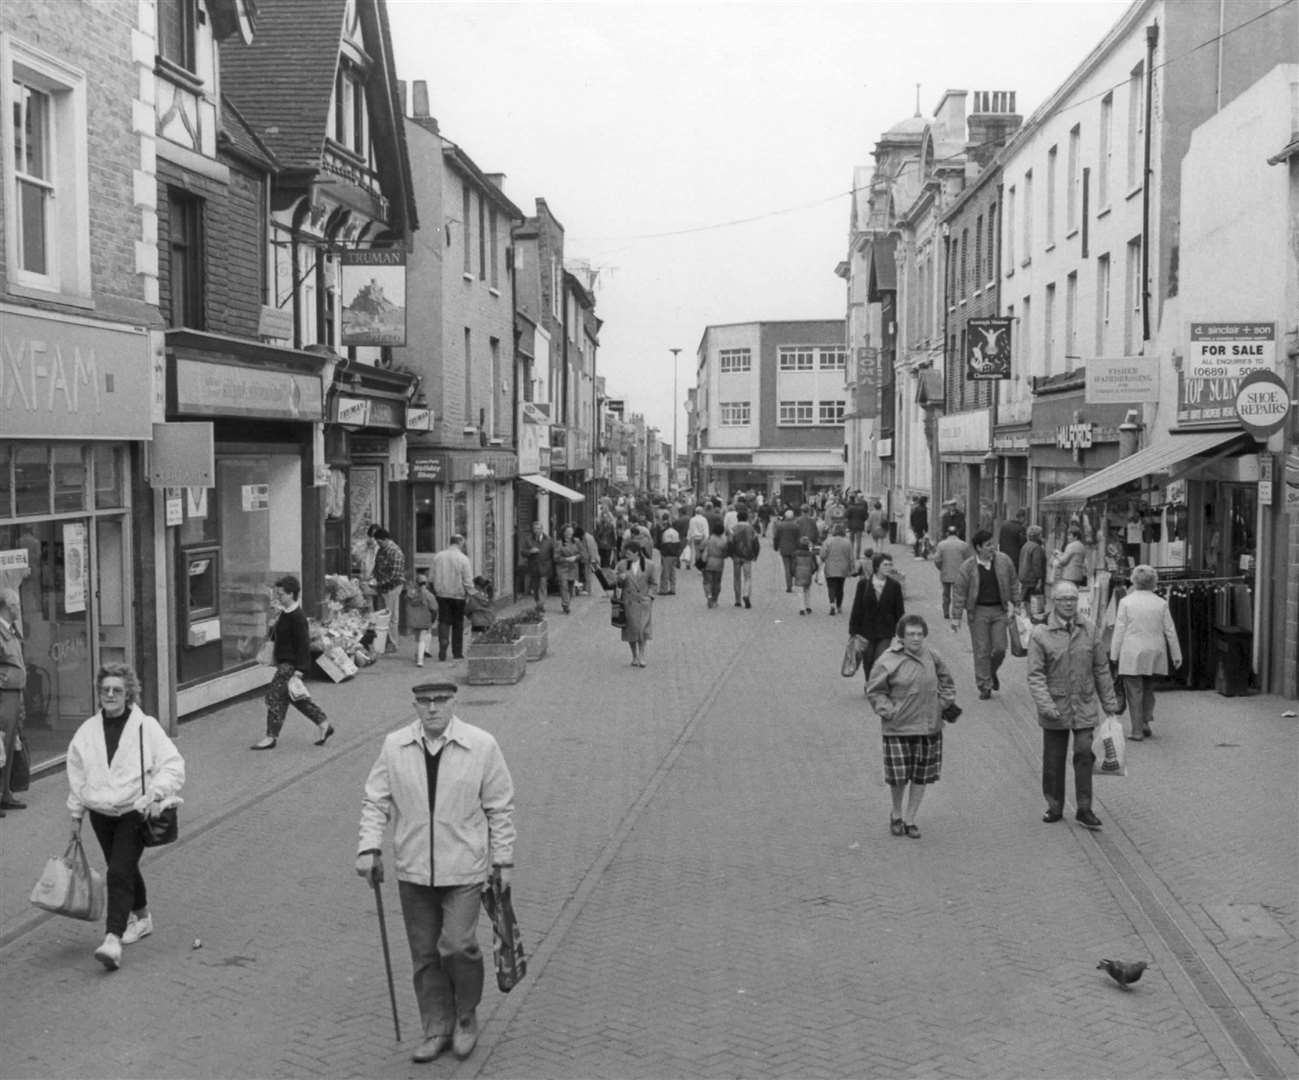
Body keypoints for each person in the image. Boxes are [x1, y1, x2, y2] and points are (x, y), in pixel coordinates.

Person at [356, 680, 516, 1063]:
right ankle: (436, 1027)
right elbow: (375, 801)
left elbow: (500, 806)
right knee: (425, 954)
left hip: (464, 868)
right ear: (414, 705)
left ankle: (465, 1016)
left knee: (458, 945)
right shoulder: (395, 746)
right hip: (413, 869)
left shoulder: (481, 745)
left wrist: (503, 860)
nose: (433, 708)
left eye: (441, 701)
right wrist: (368, 847)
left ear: (454, 703)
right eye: (425, 702)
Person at [66, 663, 185, 970]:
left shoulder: (146, 727)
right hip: (100, 814)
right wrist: (75, 815)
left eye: (117, 690)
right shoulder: (86, 732)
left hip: (134, 811)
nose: (110, 695)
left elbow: (172, 764)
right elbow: (77, 774)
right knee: (124, 868)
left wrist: (155, 793)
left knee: (118, 871)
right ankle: (143, 918)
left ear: (128, 693)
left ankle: (112, 940)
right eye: (105, 690)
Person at [1026, 581, 1120, 830]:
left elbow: (1100, 668)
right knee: (1054, 760)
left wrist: (1109, 703)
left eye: (1072, 599)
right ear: (1054, 602)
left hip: (1084, 702)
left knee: (1084, 752)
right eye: (1063, 599)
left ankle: (1084, 808)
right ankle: (1055, 805)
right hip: (1055, 706)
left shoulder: (1089, 629)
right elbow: (1035, 675)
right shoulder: (1040, 634)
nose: (1068, 603)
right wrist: (1045, 704)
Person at [866, 615, 956, 839]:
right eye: (911, 634)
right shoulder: (888, 660)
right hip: (899, 727)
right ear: (901, 637)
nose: (916, 638)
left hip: (927, 727)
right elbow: (875, 691)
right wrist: (889, 712)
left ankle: (910, 819)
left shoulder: (932, 656)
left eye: (919, 634)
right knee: (898, 776)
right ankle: (896, 813)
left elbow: (947, 682)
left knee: (920, 776)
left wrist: (941, 705)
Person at [252, 575, 332, 750]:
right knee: (296, 698)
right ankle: (323, 723)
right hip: (284, 663)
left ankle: (270, 737)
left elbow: (303, 644)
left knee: (274, 697)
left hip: (291, 665)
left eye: (281, 594)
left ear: (291, 594)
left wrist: (300, 670)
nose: (278, 597)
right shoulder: (284, 613)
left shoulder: (297, 617)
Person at [1108, 565, 1183, 741]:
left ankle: (1136, 730)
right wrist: (1176, 655)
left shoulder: (1126, 602)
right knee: (1149, 687)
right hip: (1155, 650)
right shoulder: (1161, 602)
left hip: (1132, 650)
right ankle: (1145, 722)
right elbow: (1170, 630)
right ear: (1154, 582)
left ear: (1134, 580)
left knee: (1134, 690)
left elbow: (1119, 630)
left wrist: (1114, 654)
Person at [950, 530, 1020, 700]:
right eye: (988, 545)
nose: (992, 548)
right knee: (982, 650)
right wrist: (956, 616)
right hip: (978, 612)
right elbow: (959, 593)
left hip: (999, 611)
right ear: (978, 547)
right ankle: (984, 685)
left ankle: (990, 672)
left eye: (992, 544)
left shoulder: (1004, 561)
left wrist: (1017, 604)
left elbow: (1013, 582)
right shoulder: (967, 567)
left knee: (1000, 648)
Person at [848, 552, 906, 681]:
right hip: (865, 630)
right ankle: (869, 681)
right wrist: (853, 631)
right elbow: (857, 608)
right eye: (885, 564)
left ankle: (877, 684)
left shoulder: (895, 586)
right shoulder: (863, 585)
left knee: (880, 658)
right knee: (868, 660)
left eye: (890, 564)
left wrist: (901, 631)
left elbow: (900, 611)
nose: (889, 567)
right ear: (876, 567)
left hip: (885, 630)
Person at [0, 589, 27, 815]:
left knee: (10, 745)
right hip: (3, 696)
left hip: (14, 693)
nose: (19, 608)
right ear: (9, 607)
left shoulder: (11, 631)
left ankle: (5, 792)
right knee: (0, 746)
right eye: (17, 605)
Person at [616, 534, 659, 666]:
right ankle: (634, 655)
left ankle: (642, 655)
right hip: (628, 602)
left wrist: (650, 596)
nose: (626, 556)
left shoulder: (649, 565)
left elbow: (653, 583)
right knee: (631, 630)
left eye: (629, 553)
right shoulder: (622, 565)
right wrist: (620, 580)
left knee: (642, 630)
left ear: (637, 553)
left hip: (643, 602)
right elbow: (617, 584)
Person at [431, 535, 474, 662]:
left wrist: (435, 589)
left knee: (443, 620)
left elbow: (431, 577)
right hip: (458, 595)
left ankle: (443, 642)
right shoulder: (464, 559)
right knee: (458, 623)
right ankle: (457, 652)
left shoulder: (438, 556)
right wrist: (471, 593)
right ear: (460, 543)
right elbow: (468, 580)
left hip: (442, 594)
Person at [373, 528, 408, 652]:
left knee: (392, 616)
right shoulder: (381, 550)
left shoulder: (395, 552)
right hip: (382, 587)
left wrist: (378, 584)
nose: (378, 544)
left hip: (392, 587)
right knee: (383, 616)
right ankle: (383, 641)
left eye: (380, 542)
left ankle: (393, 643)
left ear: (386, 539)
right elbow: (376, 567)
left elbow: (395, 576)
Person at [931, 527, 972, 621]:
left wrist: (941, 568)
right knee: (957, 595)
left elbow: (937, 559)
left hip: (945, 573)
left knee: (946, 594)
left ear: (947, 533)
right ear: (957, 533)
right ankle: (955, 613)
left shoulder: (941, 545)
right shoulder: (963, 545)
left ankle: (946, 613)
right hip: (959, 574)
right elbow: (969, 561)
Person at [820, 523, 855, 616]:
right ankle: (839, 606)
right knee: (840, 588)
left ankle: (832, 604)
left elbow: (823, 555)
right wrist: (852, 569)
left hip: (830, 568)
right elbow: (851, 557)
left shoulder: (828, 541)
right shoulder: (847, 542)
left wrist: (823, 560)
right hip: (843, 568)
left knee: (831, 587)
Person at [404, 572, 438, 667]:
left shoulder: (410, 594)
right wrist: (433, 619)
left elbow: (407, 603)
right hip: (425, 619)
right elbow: (434, 608)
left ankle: (417, 654)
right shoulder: (429, 595)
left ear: (416, 583)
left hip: (414, 619)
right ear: (426, 583)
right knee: (422, 639)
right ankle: (420, 660)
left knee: (417, 638)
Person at [728, 509, 760, 609]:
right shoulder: (751, 529)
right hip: (747, 555)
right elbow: (756, 543)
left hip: (736, 556)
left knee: (736, 578)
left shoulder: (733, 529)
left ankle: (737, 600)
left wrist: (731, 554)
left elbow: (730, 542)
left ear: (738, 518)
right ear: (746, 518)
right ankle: (746, 594)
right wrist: (755, 554)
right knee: (747, 577)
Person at [519, 521, 554, 610]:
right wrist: (530, 552)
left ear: (542, 529)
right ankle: (538, 601)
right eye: (535, 529)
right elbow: (522, 551)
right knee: (535, 587)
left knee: (542, 586)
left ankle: (540, 604)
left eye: (538, 528)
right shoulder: (528, 539)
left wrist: (551, 566)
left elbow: (553, 554)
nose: (536, 530)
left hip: (544, 567)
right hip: (533, 567)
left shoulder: (549, 540)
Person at [1018, 525, 1048, 620]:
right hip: (1032, 577)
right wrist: (1039, 579)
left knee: (1026, 597)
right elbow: (1037, 564)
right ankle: (1032, 617)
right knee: (1032, 598)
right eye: (1040, 534)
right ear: (1037, 536)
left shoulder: (1025, 545)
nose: (1042, 536)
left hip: (1024, 575)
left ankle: (1028, 615)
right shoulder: (1036, 548)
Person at [554, 523, 582, 615]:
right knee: (564, 586)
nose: (570, 533)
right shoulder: (559, 543)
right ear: (564, 533)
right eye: (568, 532)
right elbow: (556, 557)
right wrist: (566, 559)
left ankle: (567, 603)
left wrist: (575, 557)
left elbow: (581, 554)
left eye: (571, 531)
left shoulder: (576, 542)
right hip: (562, 568)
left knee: (570, 587)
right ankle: (565, 605)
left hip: (572, 568)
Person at [700, 518, 728, 609]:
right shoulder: (723, 541)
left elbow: (701, 548)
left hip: (708, 562)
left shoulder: (708, 539)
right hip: (719, 563)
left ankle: (708, 595)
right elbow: (725, 553)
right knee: (717, 582)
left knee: (707, 581)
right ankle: (715, 600)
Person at [772, 509, 802, 592]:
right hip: (794, 549)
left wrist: (775, 546)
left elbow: (776, 537)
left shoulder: (780, 526)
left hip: (784, 549)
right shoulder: (796, 526)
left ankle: (789, 585)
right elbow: (798, 538)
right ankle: (793, 578)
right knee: (793, 566)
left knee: (786, 568)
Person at [1054, 525, 1090, 589]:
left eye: (1070, 535)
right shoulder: (1082, 546)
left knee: (1068, 595)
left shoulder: (1071, 546)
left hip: (1069, 576)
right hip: (1078, 576)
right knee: (1074, 594)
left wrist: (1057, 555)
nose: (1068, 537)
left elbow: (1063, 561)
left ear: (1075, 536)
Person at [791, 537, 820, 616]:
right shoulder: (811, 554)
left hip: (798, 574)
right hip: (808, 574)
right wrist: (812, 572)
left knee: (800, 592)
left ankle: (802, 609)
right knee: (807, 591)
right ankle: (808, 607)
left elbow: (793, 565)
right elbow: (815, 566)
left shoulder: (795, 553)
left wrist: (793, 573)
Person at [998, 508, 1028, 573]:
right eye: (1025, 519)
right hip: (1015, 558)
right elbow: (1023, 544)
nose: (1025, 521)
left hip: (1003, 555)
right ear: (1022, 517)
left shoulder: (1004, 525)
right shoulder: (1021, 528)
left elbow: (1000, 540)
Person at [657, 519, 681, 596]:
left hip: (667, 555)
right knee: (673, 572)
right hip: (674, 555)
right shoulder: (676, 532)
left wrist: (662, 554)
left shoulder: (665, 533)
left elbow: (664, 545)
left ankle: (663, 589)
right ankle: (672, 588)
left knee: (665, 572)